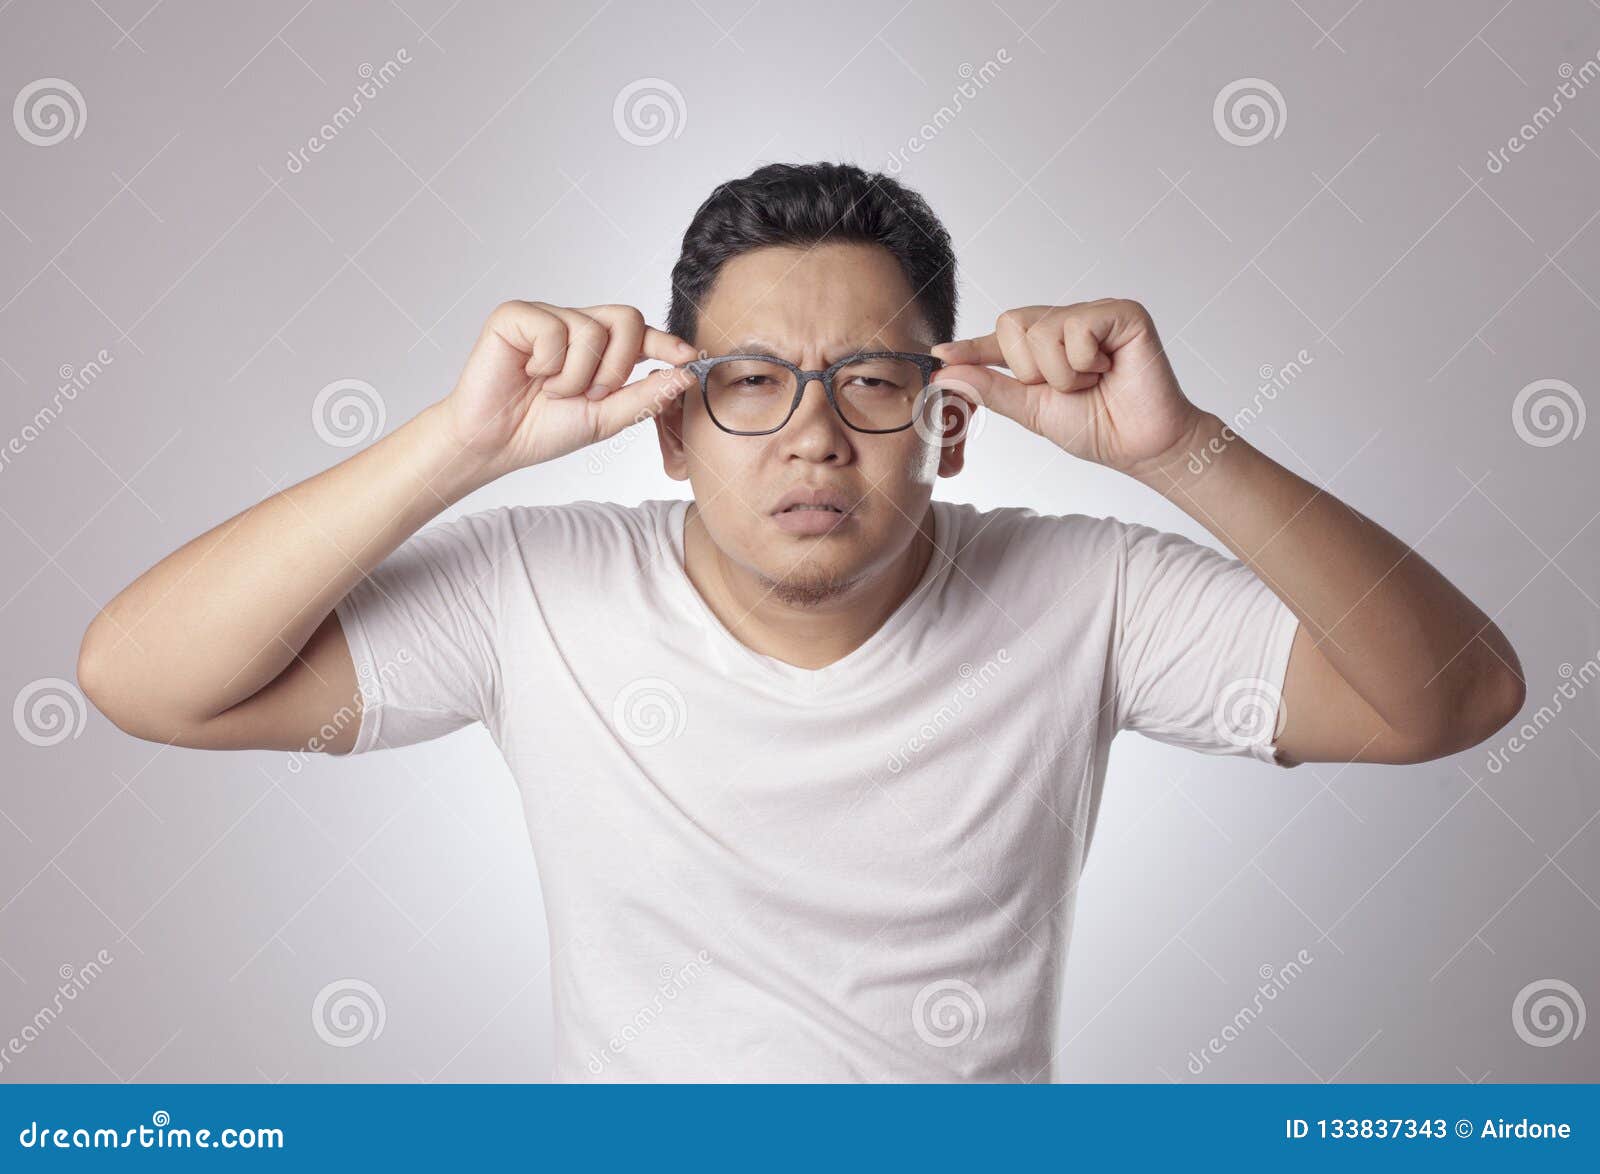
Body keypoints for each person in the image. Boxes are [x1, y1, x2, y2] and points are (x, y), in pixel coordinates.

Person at [76, 161, 1525, 1082]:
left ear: (948, 429)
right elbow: (143, 678)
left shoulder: (1088, 591)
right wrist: (459, 450)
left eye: (874, 383)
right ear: (671, 433)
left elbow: (1451, 697)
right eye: (754, 381)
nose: (814, 437)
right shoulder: (538, 585)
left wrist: (1177, 450)